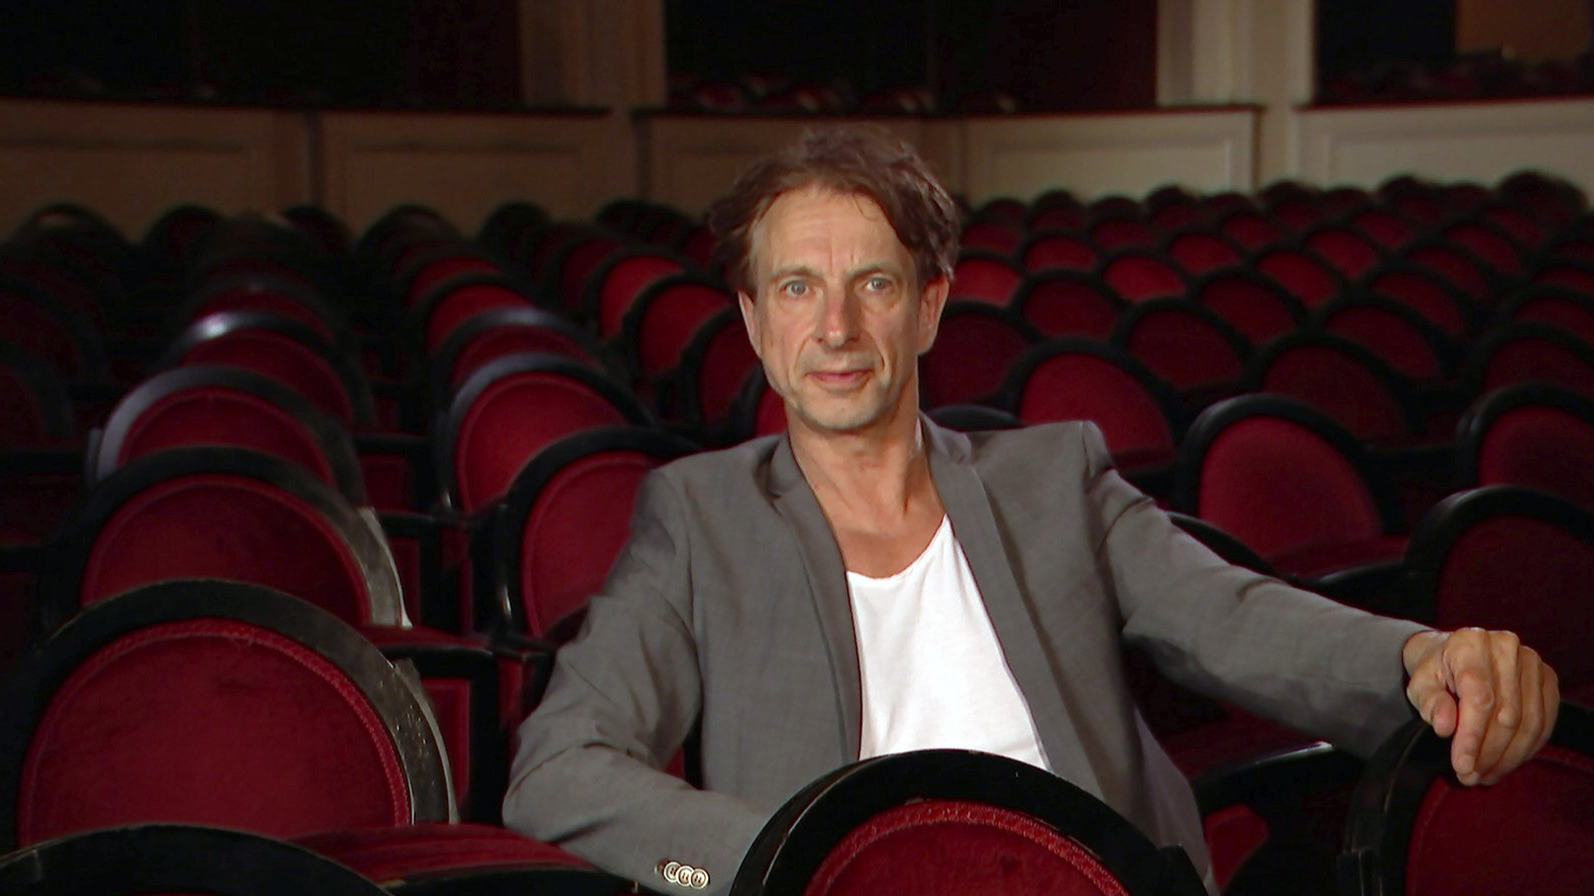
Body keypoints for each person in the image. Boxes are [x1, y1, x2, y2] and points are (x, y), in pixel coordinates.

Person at [503, 126, 1559, 895]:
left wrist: (1420, 659)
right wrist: (791, 863)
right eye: (794, 288)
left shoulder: (1054, 477)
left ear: (928, 306)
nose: (834, 327)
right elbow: (558, 770)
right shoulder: (698, 518)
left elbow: (1231, 615)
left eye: (873, 284)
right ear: (751, 320)